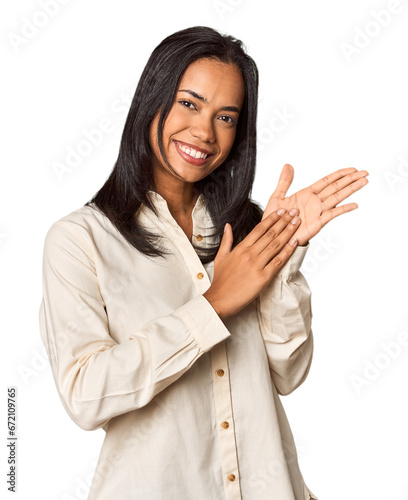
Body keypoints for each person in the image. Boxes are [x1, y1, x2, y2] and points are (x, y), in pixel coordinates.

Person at [39, 26, 368, 500]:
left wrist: (282, 255)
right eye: (189, 103)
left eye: (226, 117)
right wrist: (211, 307)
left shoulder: (248, 226)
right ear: (152, 98)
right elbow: (86, 396)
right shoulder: (79, 240)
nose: (204, 132)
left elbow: (289, 374)